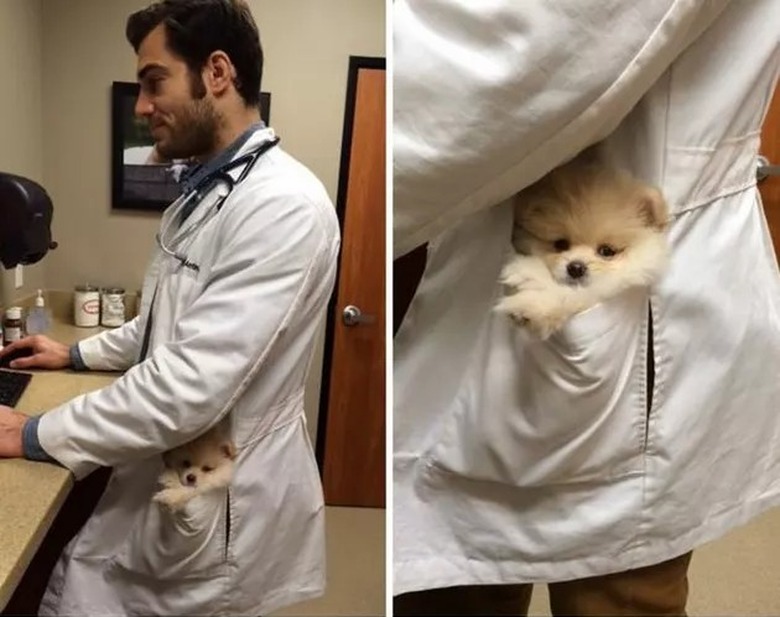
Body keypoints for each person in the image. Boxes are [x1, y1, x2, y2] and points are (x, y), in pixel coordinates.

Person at [393, 1, 780, 615]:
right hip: (501, 284)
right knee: (454, 571)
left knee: (613, 588)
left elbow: (513, 62)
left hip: (638, 331)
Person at [0, 1, 339, 615]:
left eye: (154, 82)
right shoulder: (202, 195)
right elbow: (160, 325)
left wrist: (36, 432)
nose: (141, 106)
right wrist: (73, 351)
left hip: (216, 500)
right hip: (169, 469)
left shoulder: (284, 205)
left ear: (216, 73)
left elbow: (190, 385)